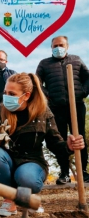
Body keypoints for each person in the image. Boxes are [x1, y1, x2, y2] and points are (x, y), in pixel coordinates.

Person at [0, 73, 85, 217]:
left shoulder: (43, 113)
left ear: (26, 95)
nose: (6, 97)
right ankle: (9, 200)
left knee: (26, 177)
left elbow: (55, 144)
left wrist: (68, 147)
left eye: (12, 93)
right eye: (5, 92)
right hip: (6, 161)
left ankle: (28, 199)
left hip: (32, 162)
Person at [36, 35, 89, 184]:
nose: (58, 48)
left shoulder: (77, 60)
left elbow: (88, 77)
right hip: (55, 108)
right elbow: (37, 82)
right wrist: (48, 96)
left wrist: (83, 92)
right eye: (55, 46)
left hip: (76, 105)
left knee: (79, 137)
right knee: (59, 139)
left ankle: (83, 172)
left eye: (61, 45)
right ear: (51, 48)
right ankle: (64, 173)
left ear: (67, 47)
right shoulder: (44, 64)